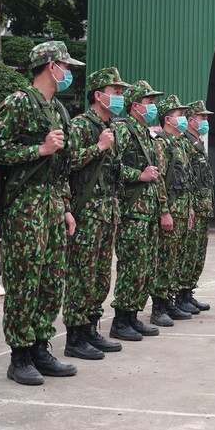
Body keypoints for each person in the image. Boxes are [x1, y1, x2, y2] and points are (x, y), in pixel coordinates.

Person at [0, 41, 83, 385]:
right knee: (25, 279)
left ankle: (40, 347)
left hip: (51, 204)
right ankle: (19, 355)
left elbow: (61, 167)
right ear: (50, 66)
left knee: (50, 279)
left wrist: (65, 206)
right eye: (65, 65)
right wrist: (39, 148)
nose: (68, 72)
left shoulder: (59, 109)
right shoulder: (17, 103)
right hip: (24, 203)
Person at [62, 67, 127, 358]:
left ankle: (90, 328)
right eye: (116, 92)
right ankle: (75, 337)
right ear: (98, 95)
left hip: (106, 212)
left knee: (101, 275)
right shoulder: (80, 126)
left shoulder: (111, 128)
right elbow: (67, 163)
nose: (120, 97)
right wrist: (98, 147)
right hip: (86, 212)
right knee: (81, 276)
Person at [110, 80, 166, 340]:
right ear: (135, 106)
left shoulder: (146, 134)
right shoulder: (122, 132)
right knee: (131, 266)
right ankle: (120, 320)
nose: (154, 107)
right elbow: (111, 168)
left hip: (148, 211)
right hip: (132, 211)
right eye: (149, 102)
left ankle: (132, 315)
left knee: (144, 266)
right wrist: (139, 175)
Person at [148, 95, 195, 324]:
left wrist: (190, 208)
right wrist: (164, 211)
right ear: (168, 119)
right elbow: (158, 180)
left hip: (182, 209)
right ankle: (159, 307)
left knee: (177, 259)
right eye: (180, 115)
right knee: (165, 259)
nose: (184, 119)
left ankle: (171, 300)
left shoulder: (180, 144)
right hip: (170, 210)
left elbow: (185, 179)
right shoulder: (162, 144)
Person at [181, 99, 215, 312]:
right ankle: (181, 295)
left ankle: (188, 292)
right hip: (193, 206)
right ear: (191, 120)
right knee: (189, 252)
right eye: (202, 118)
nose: (205, 121)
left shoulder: (197, 143)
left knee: (198, 254)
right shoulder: (185, 143)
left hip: (203, 206)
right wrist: (191, 206)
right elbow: (187, 178)